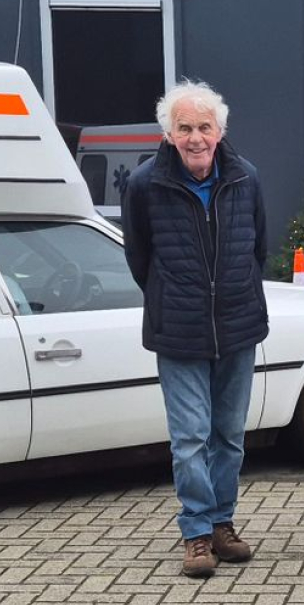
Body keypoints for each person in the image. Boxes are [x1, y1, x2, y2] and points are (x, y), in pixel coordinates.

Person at [121, 80, 270, 579]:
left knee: (229, 436)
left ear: (220, 130)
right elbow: (139, 258)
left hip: (237, 325)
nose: (195, 137)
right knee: (189, 438)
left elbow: (257, 251)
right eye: (184, 128)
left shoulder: (245, 178)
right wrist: (173, 296)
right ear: (168, 133)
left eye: (204, 127)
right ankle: (196, 532)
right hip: (179, 330)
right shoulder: (144, 184)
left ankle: (223, 523)